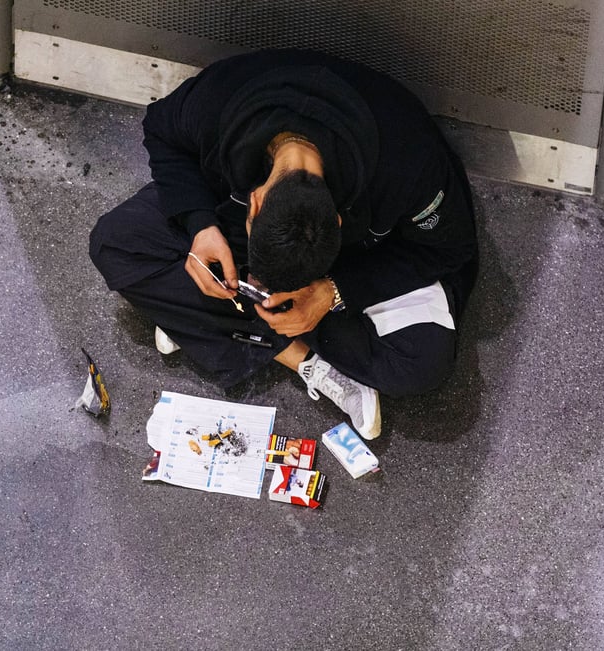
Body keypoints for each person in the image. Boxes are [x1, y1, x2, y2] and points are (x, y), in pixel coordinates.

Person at [89, 49, 478, 440]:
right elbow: (159, 127)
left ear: (338, 222)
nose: (271, 293)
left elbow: (450, 248)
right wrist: (200, 224)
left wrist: (334, 291)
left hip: (364, 256)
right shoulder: (217, 101)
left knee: (421, 365)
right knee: (114, 243)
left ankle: (202, 316)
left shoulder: (410, 164)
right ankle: (300, 358)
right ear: (255, 202)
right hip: (237, 213)